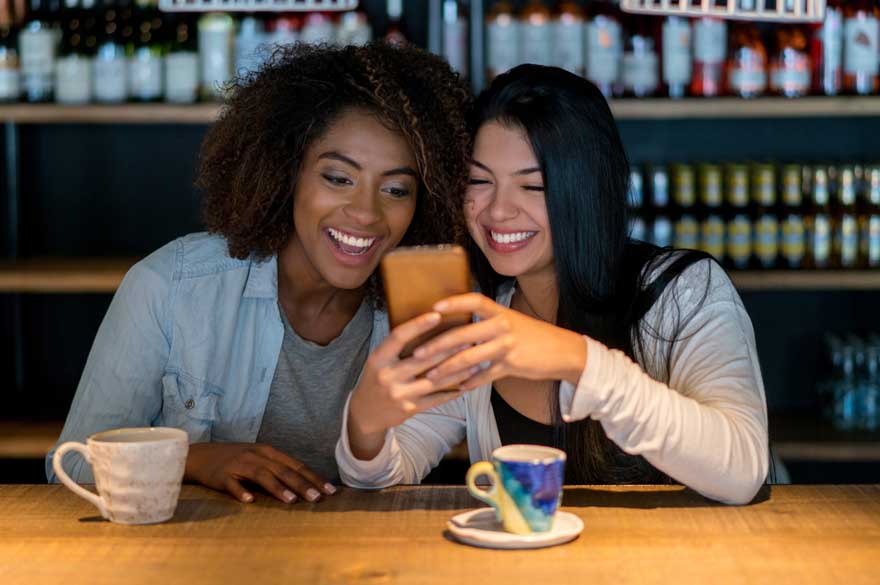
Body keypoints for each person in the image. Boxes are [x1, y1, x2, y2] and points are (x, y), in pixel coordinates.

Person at [46, 42, 473, 505]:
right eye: (337, 178)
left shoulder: (431, 309)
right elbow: (70, 467)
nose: (366, 213)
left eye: (395, 189)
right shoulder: (170, 286)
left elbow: (403, 467)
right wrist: (195, 459)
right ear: (286, 171)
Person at [336, 64, 769, 505]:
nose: (498, 211)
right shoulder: (479, 314)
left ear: (584, 190)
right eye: (480, 181)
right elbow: (388, 472)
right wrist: (366, 425)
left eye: (534, 186)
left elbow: (743, 472)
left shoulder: (682, 292)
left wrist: (577, 360)